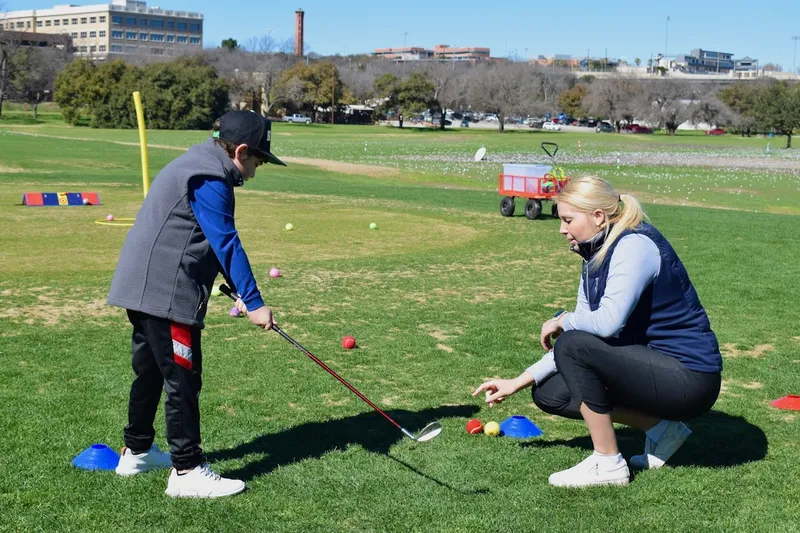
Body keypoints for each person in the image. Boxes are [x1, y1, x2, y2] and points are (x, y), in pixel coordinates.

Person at [473, 176, 722, 488]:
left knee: (572, 342)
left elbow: (604, 325)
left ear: (598, 217)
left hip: (690, 378)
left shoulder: (635, 245)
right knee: (550, 392)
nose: (562, 229)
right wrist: (518, 381)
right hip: (653, 367)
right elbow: (585, 335)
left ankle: (608, 464)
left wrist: (563, 320)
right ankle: (662, 430)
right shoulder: (593, 254)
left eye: (567, 220)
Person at [107, 110, 286, 498]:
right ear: (239, 151)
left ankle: (136, 451)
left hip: (142, 287)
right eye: (257, 160)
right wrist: (254, 301)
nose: (256, 171)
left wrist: (233, 285)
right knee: (183, 377)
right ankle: (186, 470)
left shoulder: (197, 161)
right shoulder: (210, 175)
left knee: (154, 372)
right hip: (165, 292)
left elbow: (200, 234)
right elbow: (226, 241)